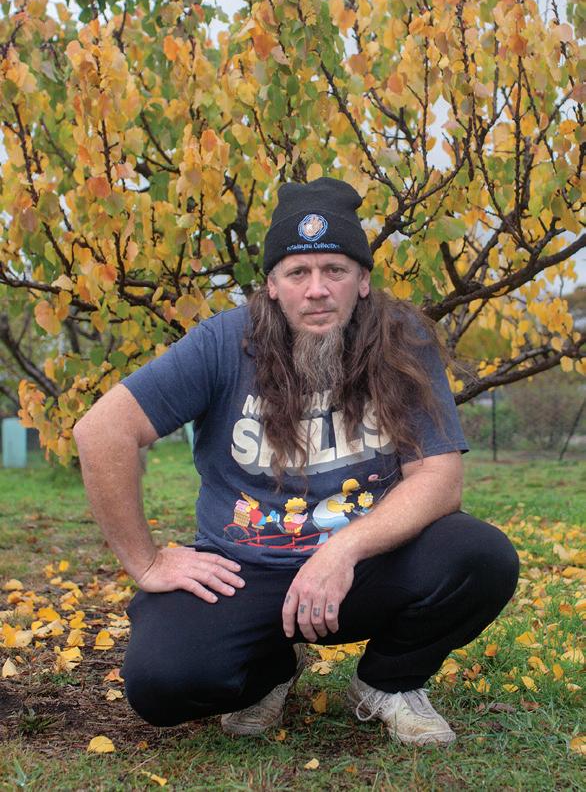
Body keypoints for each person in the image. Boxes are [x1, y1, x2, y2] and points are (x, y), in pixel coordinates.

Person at [74, 177, 519, 746]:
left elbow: (438, 477)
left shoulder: (402, 340)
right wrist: (146, 562)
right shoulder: (223, 343)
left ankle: (389, 682)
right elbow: (102, 430)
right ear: (271, 284)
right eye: (297, 272)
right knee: (162, 682)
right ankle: (270, 672)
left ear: (363, 280)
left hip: (366, 566)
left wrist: (344, 549)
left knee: (481, 557)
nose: (317, 290)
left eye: (335, 270)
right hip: (246, 568)